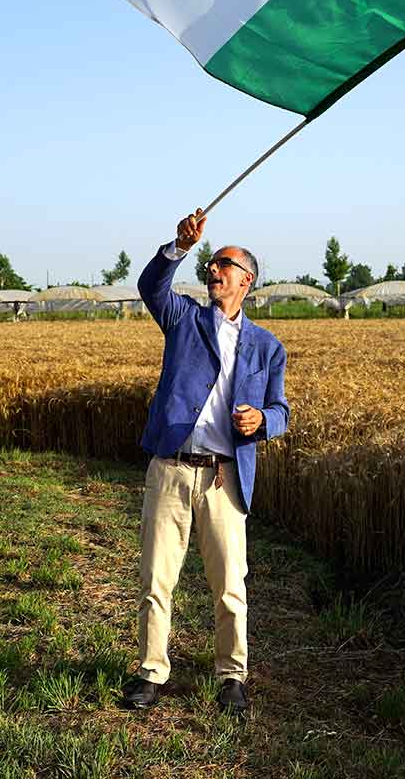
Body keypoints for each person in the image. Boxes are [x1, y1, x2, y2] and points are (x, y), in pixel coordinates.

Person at [121, 208, 290, 717]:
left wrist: (260, 420)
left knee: (229, 586)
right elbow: (151, 287)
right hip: (171, 467)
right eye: (210, 264)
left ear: (247, 279)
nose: (212, 271)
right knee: (156, 579)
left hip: (224, 476)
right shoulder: (184, 319)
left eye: (223, 264)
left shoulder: (266, 347)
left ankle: (231, 677)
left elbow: (281, 411)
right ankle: (151, 672)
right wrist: (179, 248)